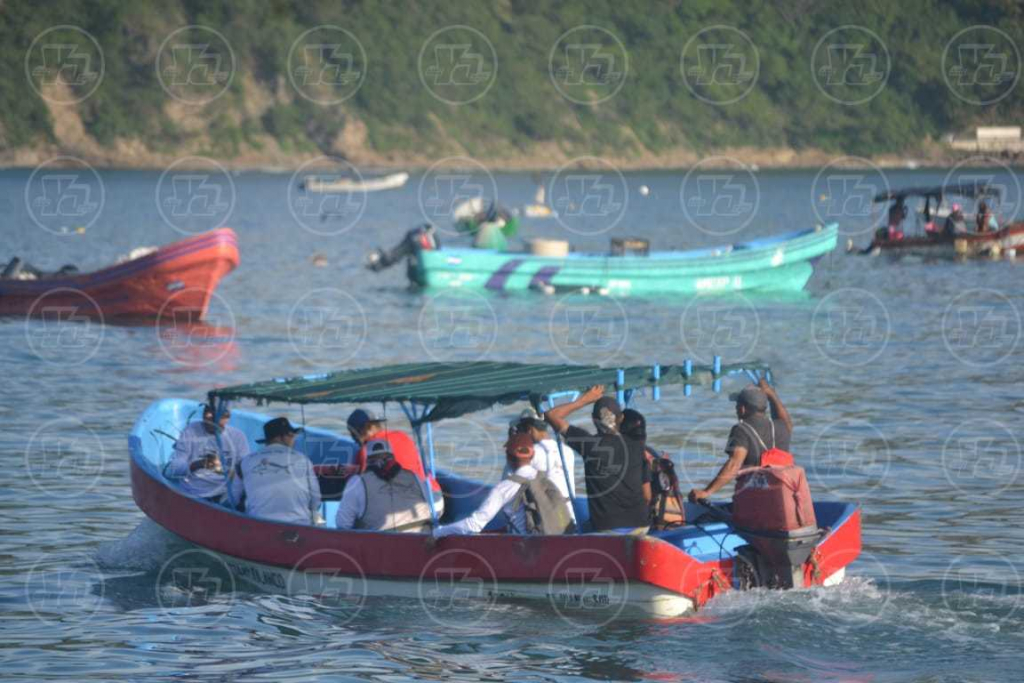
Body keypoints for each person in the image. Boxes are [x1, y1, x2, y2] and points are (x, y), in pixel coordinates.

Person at [544, 386, 651, 533]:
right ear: (621, 418)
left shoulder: (589, 444)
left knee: (579, 528)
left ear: (594, 420)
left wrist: (584, 400)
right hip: (640, 525)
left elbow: (551, 415)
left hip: (608, 528)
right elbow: (647, 496)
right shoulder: (637, 447)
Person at [433, 434, 573, 537]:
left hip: (523, 553)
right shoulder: (545, 481)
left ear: (508, 457)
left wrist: (438, 532)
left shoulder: (505, 488)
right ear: (532, 455)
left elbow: (474, 525)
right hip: (552, 542)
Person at [689, 379, 793, 503]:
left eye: (737, 405)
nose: (735, 409)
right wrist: (771, 394)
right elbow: (785, 418)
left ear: (742, 409)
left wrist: (706, 492)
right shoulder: (782, 427)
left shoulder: (741, 430)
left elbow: (734, 464)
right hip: (784, 499)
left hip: (756, 503)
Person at [347, 408, 444, 515]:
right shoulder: (402, 435)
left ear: (362, 430)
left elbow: (361, 488)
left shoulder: (367, 451)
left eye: (353, 434)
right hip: (436, 501)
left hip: (412, 509)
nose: (354, 439)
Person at [335, 439, 433, 532]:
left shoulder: (357, 482)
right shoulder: (414, 476)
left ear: (367, 461)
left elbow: (343, 524)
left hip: (381, 545)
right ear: (393, 458)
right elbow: (433, 509)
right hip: (422, 543)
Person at [237, 417, 321, 525]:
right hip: (299, 526)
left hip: (258, 525)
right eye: (291, 435)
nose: (293, 439)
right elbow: (316, 500)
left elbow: (235, 496)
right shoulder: (303, 459)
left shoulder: (246, 461)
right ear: (281, 438)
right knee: (317, 519)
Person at [165, 404, 249, 503]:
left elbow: (245, 469)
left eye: (213, 412)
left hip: (225, 491)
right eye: (206, 411)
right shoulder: (191, 431)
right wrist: (197, 465)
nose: (207, 415)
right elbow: (174, 469)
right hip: (195, 491)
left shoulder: (238, 436)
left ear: (226, 418)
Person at [621, 409, 684, 528]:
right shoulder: (654, 455)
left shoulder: (633, 458)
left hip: (655, 526)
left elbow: (646, 498)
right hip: (674, 521)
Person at [505, 408, 576, 501]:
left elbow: (507, 483)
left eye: (520, 431)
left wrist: (513, 444)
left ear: (529, 430)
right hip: (568, 511)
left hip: (543, 513)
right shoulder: (567, 451)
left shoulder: (529, 453)